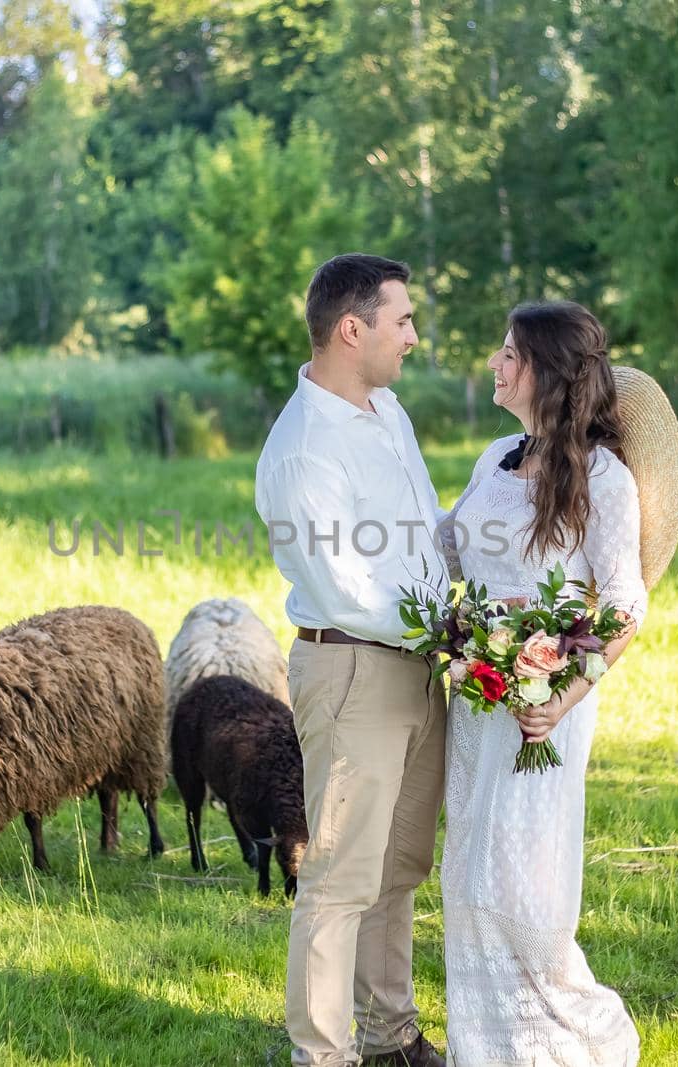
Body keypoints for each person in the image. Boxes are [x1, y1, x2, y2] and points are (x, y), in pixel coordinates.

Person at [438, 301, 646, 1065]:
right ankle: (486, 1050)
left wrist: (561, 696)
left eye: (510, 354)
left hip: (548, 711)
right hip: (480, 702)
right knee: (468, 874)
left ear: (549, 373)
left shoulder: (605, 480)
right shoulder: (495, 455)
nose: (494, 363)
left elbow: (624, 606)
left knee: (525, 886)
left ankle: (570, 1039)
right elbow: (452, 549)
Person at [255, 253, 450, 1067]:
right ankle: (323, 1055)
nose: (413, 335)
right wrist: (457, 624)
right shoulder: (303, 450)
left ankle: (390, 1035)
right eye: (402, 320)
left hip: (418, 666)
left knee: (399, 864)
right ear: (352, 327)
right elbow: (346, 586)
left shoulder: (389, 411)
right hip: (355, 672)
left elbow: (425, 530)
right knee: (337, 879)